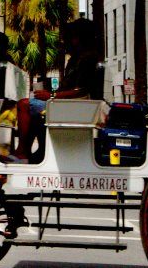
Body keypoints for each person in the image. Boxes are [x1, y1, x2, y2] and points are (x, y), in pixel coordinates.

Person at [12, 18, 99, 161]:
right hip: (68, 105)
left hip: (74, 107)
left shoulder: (87, 59)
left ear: (77, 39)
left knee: (24, 105)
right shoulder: (76, 60)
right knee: (35, 110)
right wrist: (51, 92)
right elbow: (69, 88)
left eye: (68, 38)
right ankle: (40, 150)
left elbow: (81, 90)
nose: (65, 42)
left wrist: (51, 95)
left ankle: (22, 151)